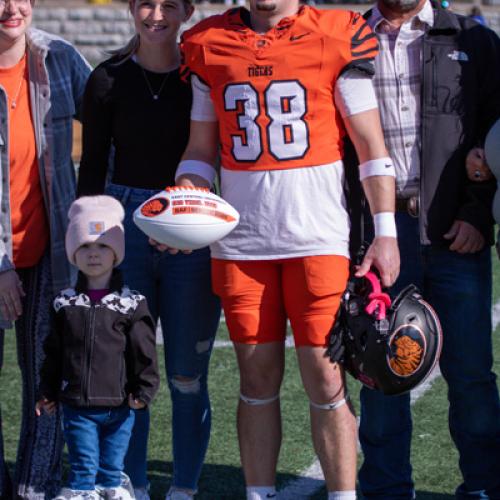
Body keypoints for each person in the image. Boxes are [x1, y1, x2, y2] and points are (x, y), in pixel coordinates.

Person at [166, 1, 400, 498]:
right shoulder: (208, 42)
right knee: (256, 379)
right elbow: (201, 150)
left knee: (326, 378)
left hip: (317, 237)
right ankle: (259, 493)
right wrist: (186, 199)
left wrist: (385, 231)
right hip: (242, 244)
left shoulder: (338, 33)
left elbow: (370, 147)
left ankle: (343, 495)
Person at [76, 1, 221, 499]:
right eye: (145, 3)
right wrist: (90, 242)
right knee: (126, 373)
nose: (155, 14)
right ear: (131, 9)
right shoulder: (107, 78)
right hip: (126, 224)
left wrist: (192, 220)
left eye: (167, 5)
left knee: (186, 374)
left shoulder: (202, 75)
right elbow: (92, 167)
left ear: (187, 11)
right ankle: (130, 484)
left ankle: (183, 488)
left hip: (194, 230)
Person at [359, 0, 500, 498]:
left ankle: (484, 486)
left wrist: (477, 213)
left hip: (454, 230)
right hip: (378, 232)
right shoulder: (347, 37)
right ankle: (385, 489)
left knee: (470, 375)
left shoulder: (474, 40)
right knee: (381, 371)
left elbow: (495, 134)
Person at [0, 0, 91, 497]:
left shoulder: (58, 58)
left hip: (48, 253)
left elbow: (108, 125)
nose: (12, 8)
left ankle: (36, 487)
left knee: (46, 377)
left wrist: (97, 218)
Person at [36, 195, 160, 500]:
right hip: (77, 406)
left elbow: (144, 352)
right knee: (82, 469)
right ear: (73, 253)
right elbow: (54, 353)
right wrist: (48, 391)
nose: (94, 254)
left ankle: (113, 491)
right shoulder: (64, 302)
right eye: (85, 246)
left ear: (116, 253)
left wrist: (144, 391)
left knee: (111, 471)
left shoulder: (132, 303)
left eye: (103, 245)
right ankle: (81, 493)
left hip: (120, 406)